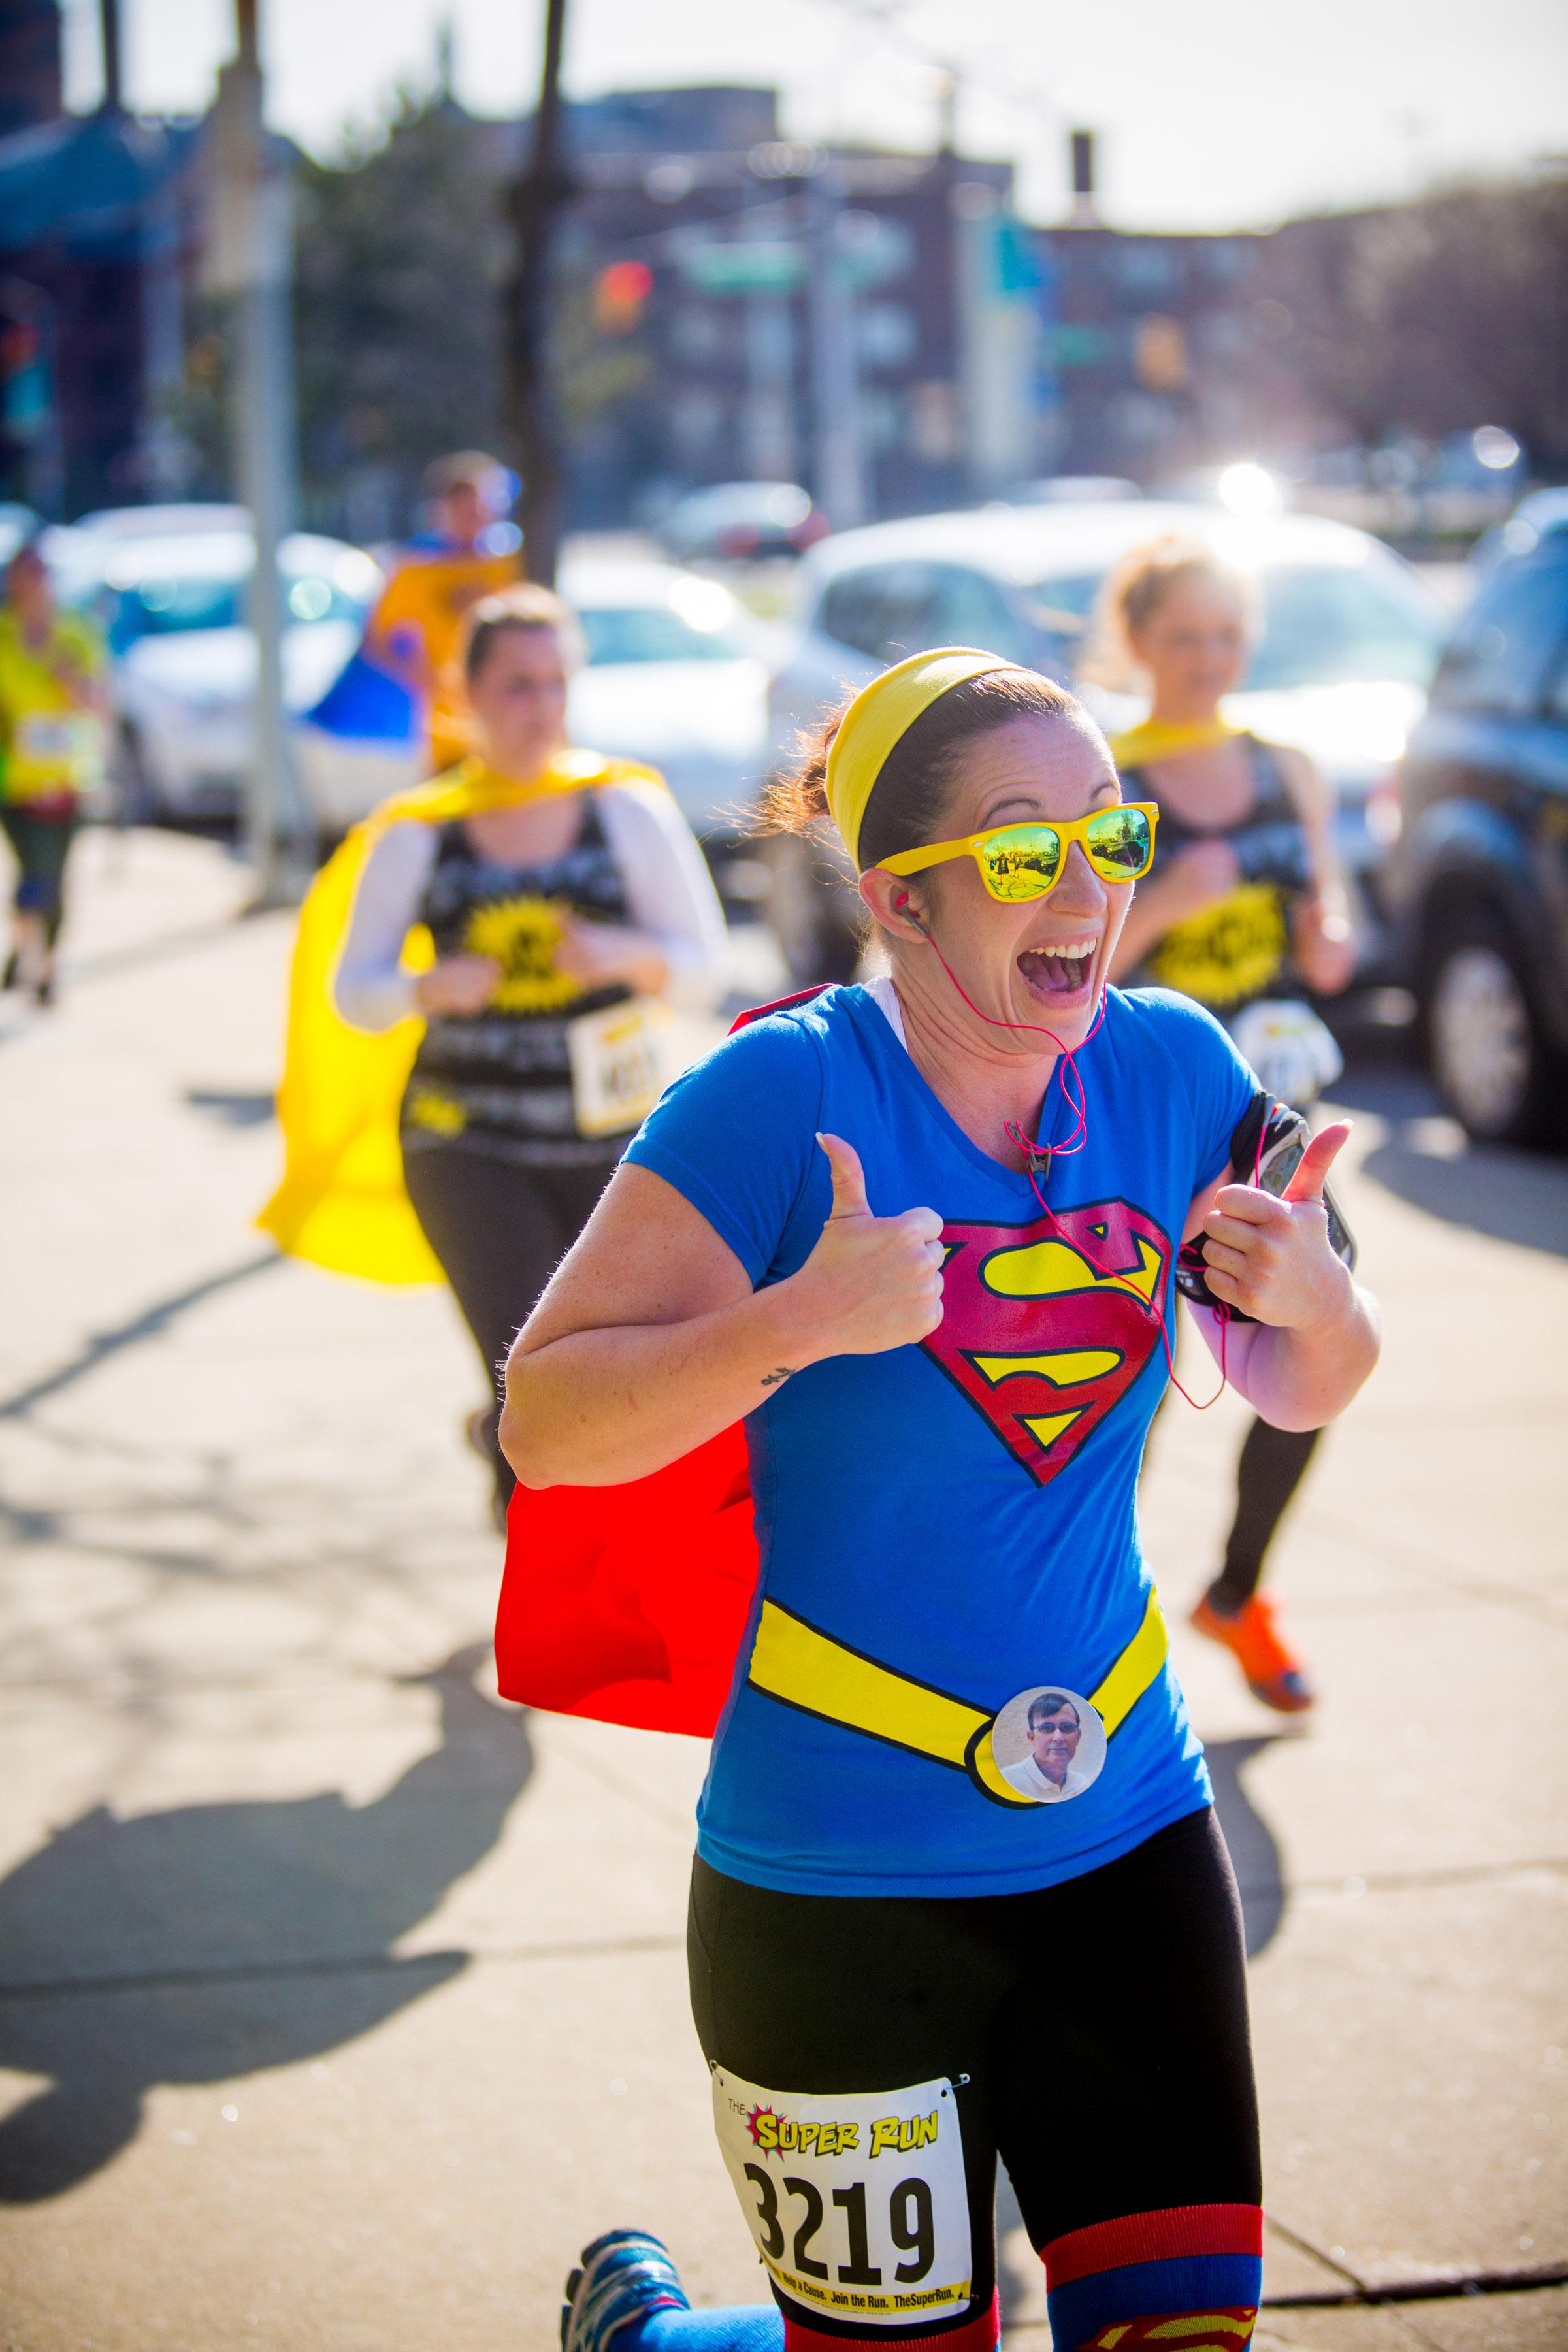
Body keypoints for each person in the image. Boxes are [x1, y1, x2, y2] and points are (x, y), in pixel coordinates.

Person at [498, 647, 1379, 2352]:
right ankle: (655, 2339)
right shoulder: (779, 1095)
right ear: (901, 895)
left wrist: (1317, 1302)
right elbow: (545, 1419)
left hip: (1122, 1822)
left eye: (1107, 838)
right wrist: (792, 1325)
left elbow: (1300, 1382)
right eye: (1023, 844)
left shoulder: (1174, 1066)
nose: (1084, 887)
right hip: (834, 1872)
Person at [259, 583, 727, 1523]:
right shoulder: (421, 831)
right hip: (462, 1139)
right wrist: (427, 987)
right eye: (516, 685)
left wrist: (625, 954)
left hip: (616, 1147)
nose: (540, 707)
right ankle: (547, 1618)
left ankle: (509, 1459)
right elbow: (354, 992)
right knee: (529, 1374)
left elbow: (705, 971)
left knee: (611, 1376)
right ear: (463, 693)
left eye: (556, 683)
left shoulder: (622, 809)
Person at [1099, 539, 1358, 1715]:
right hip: (1143, 1106)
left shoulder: (1281, 764)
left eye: (1227, 636)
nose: (1208, 660)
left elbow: (1329, 919)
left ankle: (1240, 1590)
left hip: (1271, 1113)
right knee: (1130, 1376)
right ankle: (1092, 1618)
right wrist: (1164, 907)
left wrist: (1328, 941)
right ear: (1139, 640)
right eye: (1184, 636)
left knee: (1317, 1330)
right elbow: (1063, 954)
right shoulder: (1103, 774)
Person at [363, 451, 523, 772]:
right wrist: (418, 675)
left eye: (479, 506)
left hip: (508, 724)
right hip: (447, 733)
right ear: (442, 510)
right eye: (462, 506)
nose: (473, 516)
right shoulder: (416, 570)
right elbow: (377, 640)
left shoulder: (507, 566)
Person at [0, 539, 108, 1005]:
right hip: (16, 780)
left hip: (68, 777)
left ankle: (45, 966)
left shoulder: (76, 633)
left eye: (40, 576)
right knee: (32, 876)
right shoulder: (4, 636)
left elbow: (98, 702)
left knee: (56, 876)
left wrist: (70, 681)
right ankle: (27, 947)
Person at [1000, 1693, 1093, 1803]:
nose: (1058, 1738)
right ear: (1032, 1737)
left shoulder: (1082, 1785)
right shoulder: (1008, 1781)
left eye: (1067, 1727)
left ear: (1078, 1736)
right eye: (1047, 1728)